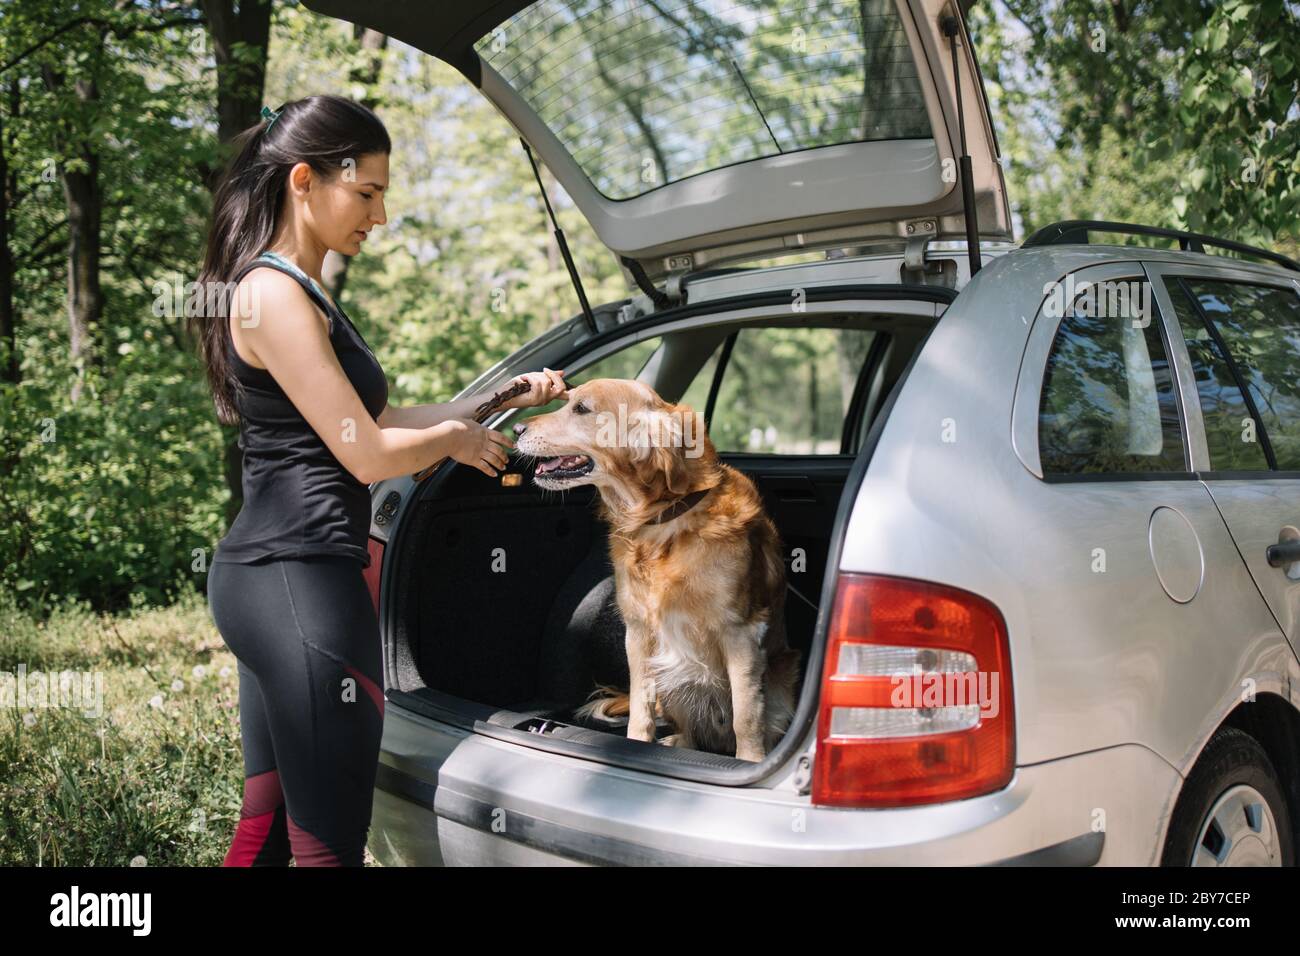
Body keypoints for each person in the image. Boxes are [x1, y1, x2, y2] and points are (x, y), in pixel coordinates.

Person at [191, 94, 565, 866]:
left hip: (269, 578)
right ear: (304, 181)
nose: (381, 215)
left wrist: (496, 400)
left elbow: (379, 413)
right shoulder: (273, 295)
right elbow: (365, 452)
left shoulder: (296, 289)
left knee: (267, 823)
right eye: (366, 192)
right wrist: (458, 440)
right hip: (302, 585)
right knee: (328, 844)